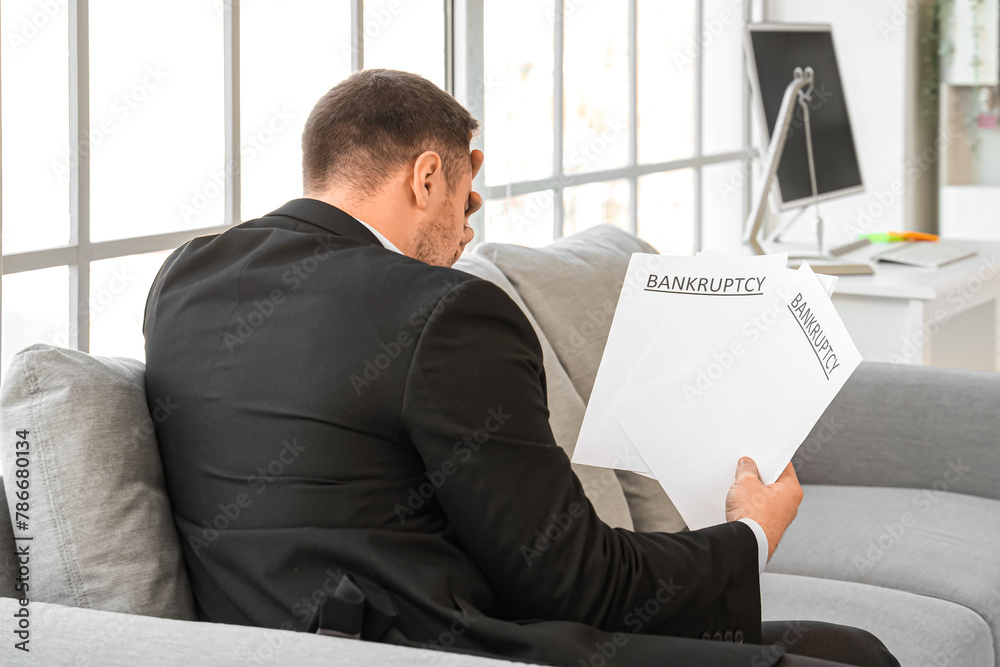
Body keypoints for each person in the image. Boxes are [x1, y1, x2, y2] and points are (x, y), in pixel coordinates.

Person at [143, 69, 898, 666]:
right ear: (427, 176)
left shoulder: (186, 282)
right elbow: (573, 579)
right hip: (448, 649)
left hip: (277, 638)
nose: (469, 231)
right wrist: (750, 533)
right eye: (469, 200)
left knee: (852, 649)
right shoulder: (442, 310)